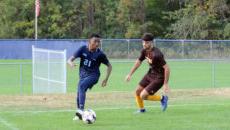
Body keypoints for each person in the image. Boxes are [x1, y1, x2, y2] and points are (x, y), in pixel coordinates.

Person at [68, 34, 112, 120]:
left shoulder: (100, 54)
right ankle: (79, 115)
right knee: (79, 93)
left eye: (98, 42)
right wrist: (71, 63)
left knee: (81, 86)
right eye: (95, 41)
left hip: (94, 76)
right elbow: (69, 60)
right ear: (89, 41)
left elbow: (109, 66)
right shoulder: (82, 49)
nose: (97, 43)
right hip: (83, 76)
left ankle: (80, 110)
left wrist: (106, 79)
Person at [125, 33, 170, 113]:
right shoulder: (144, 51)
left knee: (143, 96)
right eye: (143, 42)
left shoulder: (157, 54)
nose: (144, 44)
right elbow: (138, 62)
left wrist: (165, 84)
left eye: (146, 42)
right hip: (150, 74)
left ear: (151, 43)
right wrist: (130, 74)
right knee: (137, 91)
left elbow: (167, 68)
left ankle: (163, 99)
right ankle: (142, 109)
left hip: (159, 77)